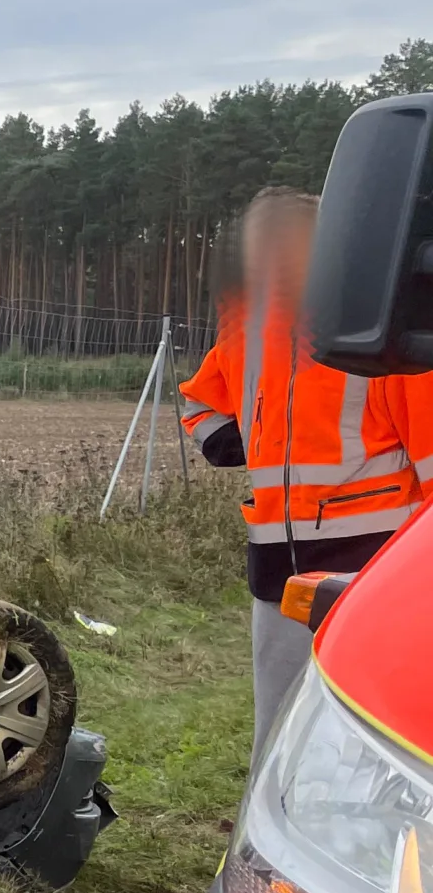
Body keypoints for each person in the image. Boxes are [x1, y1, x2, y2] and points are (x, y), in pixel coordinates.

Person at [177, 190, 421, 758]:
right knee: (280, 720)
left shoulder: (374, 323)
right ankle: (268, 834)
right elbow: (198, 402)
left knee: (367, 724)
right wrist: (236, 442)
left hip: (371, 561)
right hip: (276, 566)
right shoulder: (246, 328)